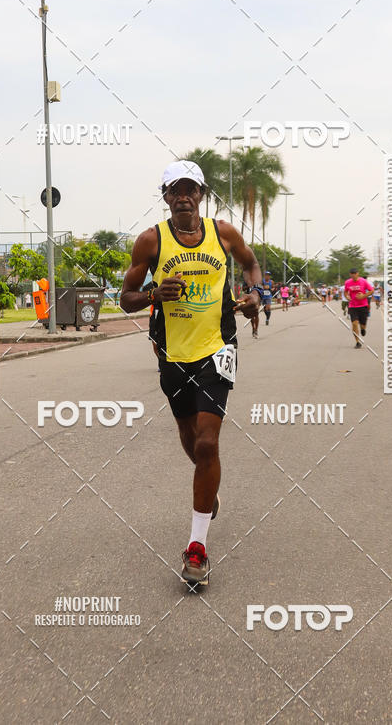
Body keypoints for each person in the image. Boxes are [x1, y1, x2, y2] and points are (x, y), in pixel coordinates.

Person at [120, 160, 262, 586]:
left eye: (191, 189)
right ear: (164, 196)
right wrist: (152, 295)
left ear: (202, 195)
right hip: (171, 353)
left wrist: (256, 293)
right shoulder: (150, 241)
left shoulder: (223, 234)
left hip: (218, 348)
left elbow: (251, 265)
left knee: (207, 442)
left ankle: (197, 547)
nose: (183, 196)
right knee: (190, 439)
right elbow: (125, 299)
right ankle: (208, 490)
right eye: (174, 189)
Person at [344, 268, 374, 348]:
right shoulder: (347, 282)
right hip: (352, 306)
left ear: (358, 273)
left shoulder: (363, 281)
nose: (353, 275)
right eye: (351, 273)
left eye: (355, 273)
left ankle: (363, 329)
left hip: (363, 306)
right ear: (350, 274)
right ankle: (357, 342)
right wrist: (347, 297)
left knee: (363, 325)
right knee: (354, 323)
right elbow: (346, 291)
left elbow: (371, 290)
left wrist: (363, 296)